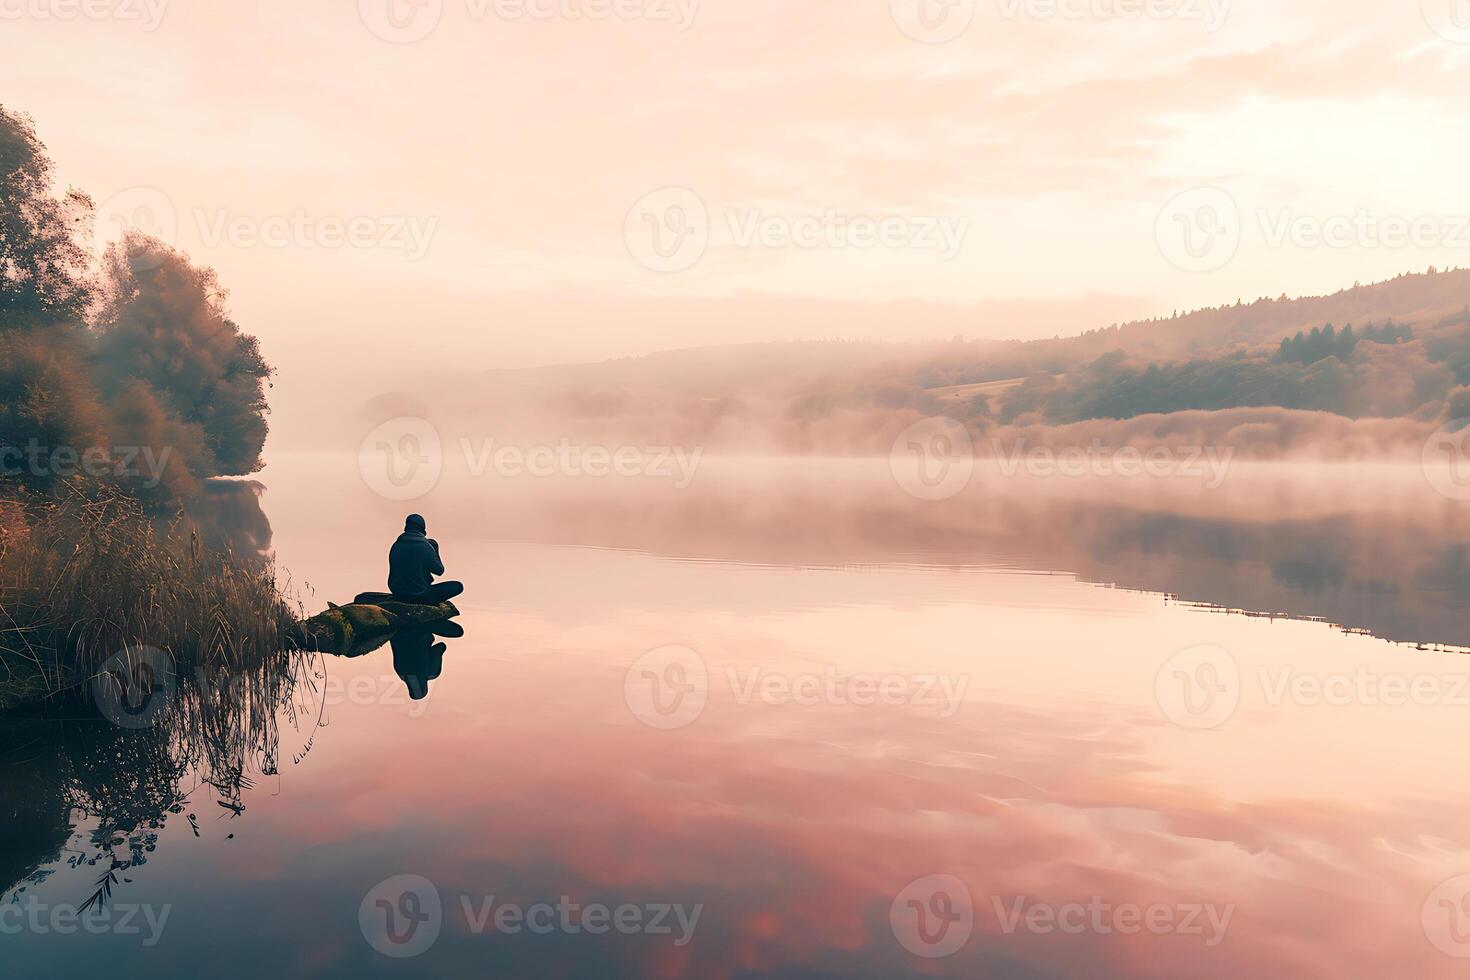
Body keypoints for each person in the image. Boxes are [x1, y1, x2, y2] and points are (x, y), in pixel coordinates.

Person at [386, 514, 464, 604]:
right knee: (457, 586)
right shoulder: (424, 545)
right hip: (419, 595)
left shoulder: (396, 545)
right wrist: (435, 549)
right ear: (422, 528)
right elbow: (439, 570)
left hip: (398, 592)